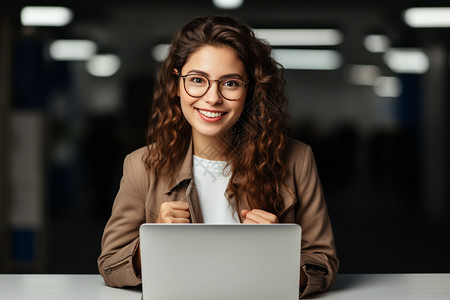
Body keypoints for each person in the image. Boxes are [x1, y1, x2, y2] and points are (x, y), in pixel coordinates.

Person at [98, 15, 339, 298]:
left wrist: (276, 253)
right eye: (198, 80)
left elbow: (324, 264)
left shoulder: (297, 159)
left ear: (251, 91)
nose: (212, 98)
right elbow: (111, 266)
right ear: (176, 85)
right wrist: (154, 243)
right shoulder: (140, 165)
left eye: (231, 83)